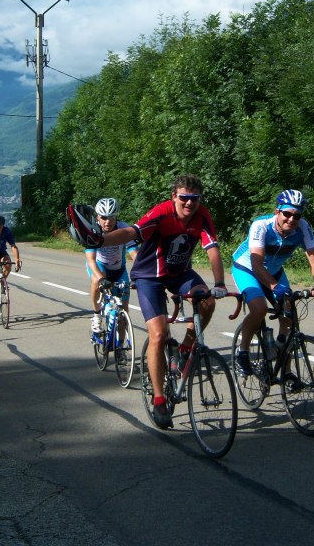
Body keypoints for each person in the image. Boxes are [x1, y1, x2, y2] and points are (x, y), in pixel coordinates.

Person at [91, 175, 228, 429]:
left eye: (194, 199)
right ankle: (159, 399)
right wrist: (100, 240)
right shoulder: (161, 213)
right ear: (174, 196)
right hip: (149, 276)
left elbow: (213, 250)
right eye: (184, 198)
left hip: (179, 274)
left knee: (208, 302)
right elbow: (131, 232)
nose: (189, 203)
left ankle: (186, 349)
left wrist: (219, 283)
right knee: (159, 334)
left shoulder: (203, 215)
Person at [230, 189, 314, 377]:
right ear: (278, 211)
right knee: (259, 308)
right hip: (247, 269)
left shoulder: (302, 227)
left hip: (275, 271)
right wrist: (275, 287)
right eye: (287, 213)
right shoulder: (261, 225)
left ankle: (285, 368)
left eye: (297, 215)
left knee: (289, 315)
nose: (291, 219)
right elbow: (257, 264)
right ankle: (242, 351)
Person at [85, 197, 137, 334]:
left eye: (112, 218)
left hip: (118, 269)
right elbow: (90, 259)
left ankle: (121, 348)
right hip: (99, 265)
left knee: (123, 310)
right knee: (96, 280)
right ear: (98, 217)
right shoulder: (93, 230)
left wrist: (139, 275)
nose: (108, 222)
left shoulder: (123, 228)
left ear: (116, 217)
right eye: (104, 218)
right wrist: (102, 279)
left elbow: (135, 254)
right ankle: (96, 315)